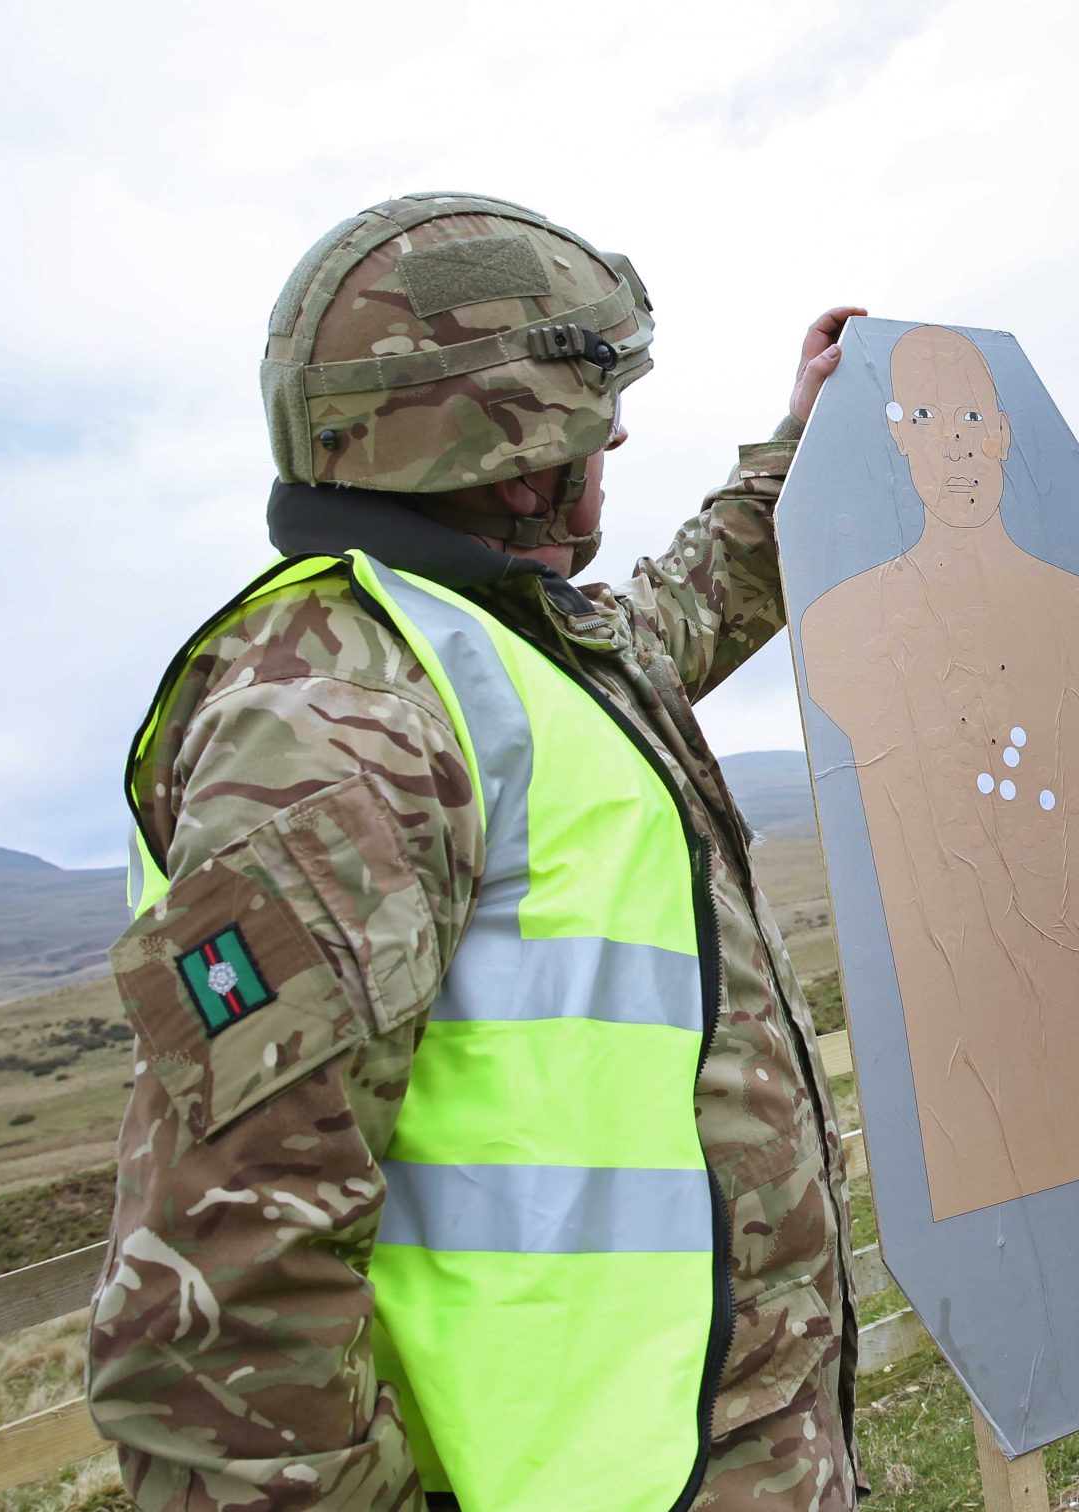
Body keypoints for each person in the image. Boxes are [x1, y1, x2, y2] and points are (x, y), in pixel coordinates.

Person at [85, 190, 866, 1512]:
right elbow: (216, 1320)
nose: (616, 453)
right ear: (519, 455)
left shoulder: (504, 651)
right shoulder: (341, 732)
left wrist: (806, 448)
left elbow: (683, 607)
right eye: (601, 429)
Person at [798, 323, 1079, 1219]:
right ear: (897, 436)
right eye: (927, 415)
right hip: (958, 1049)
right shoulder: (846, 626)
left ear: (1004, 431)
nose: (957, 441)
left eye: (973, 413)